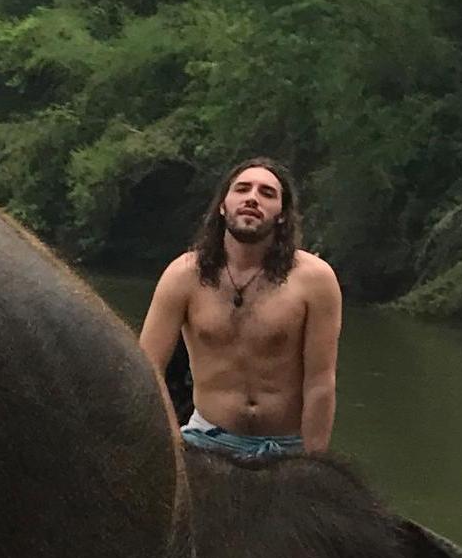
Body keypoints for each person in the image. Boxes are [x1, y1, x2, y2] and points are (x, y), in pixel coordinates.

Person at [136, 158, 343, 460]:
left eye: (267, 193)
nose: (252, 198)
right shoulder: (183, 275)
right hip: (205, 441)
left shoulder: (315, 279)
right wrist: (167, 442)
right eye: (242, 189)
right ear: (223, 206)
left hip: (285, 448)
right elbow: (146, 369)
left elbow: (320, 384)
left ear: (282, 215)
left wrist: (314, 466)